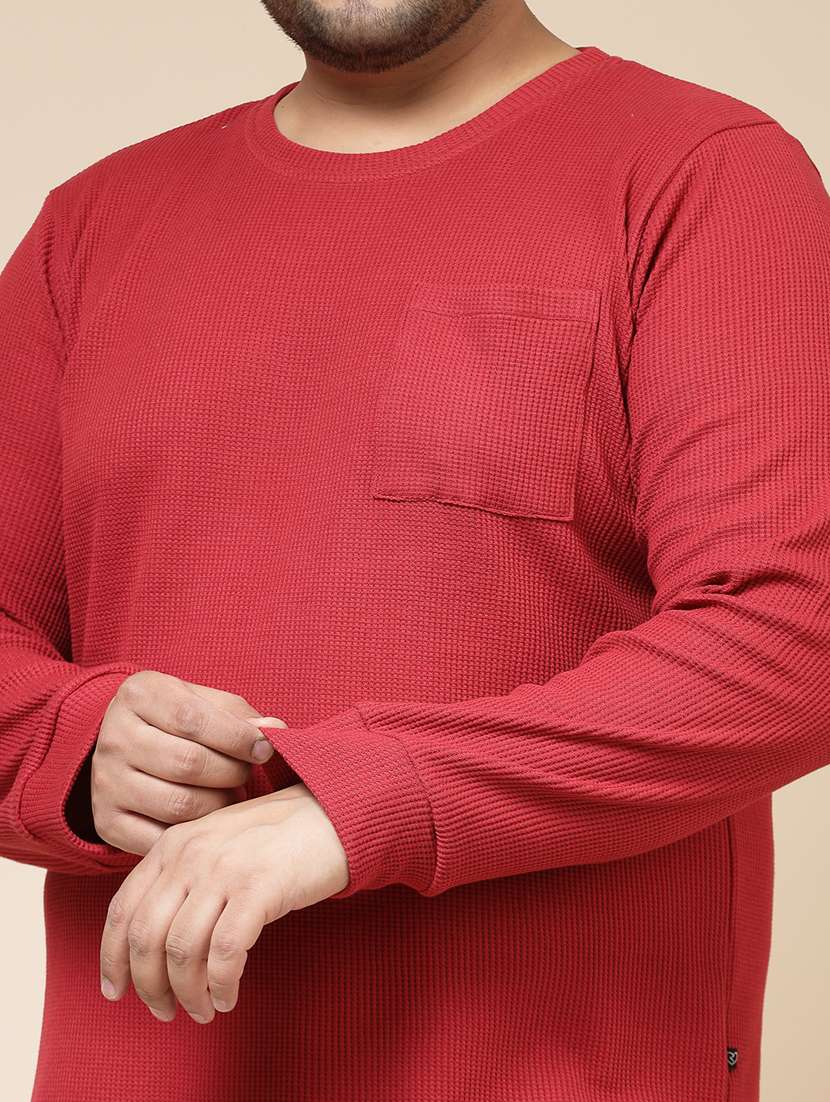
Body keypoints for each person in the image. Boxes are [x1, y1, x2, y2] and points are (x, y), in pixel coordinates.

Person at [1, 1, 828, 1099]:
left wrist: (364, 798)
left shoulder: (704, 174)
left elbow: (788, 629)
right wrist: (68, 745)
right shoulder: (92, 225)